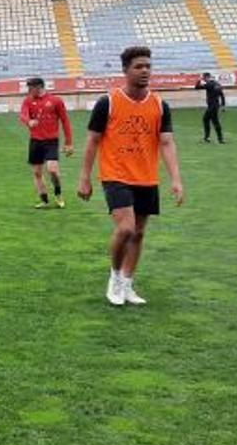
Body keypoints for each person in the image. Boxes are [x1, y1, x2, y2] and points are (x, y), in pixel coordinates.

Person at [78, 46, 185, 306]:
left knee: (138, 233)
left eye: (148, 66)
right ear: (125, 70)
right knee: (125, 229)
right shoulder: (109, 102)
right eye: (138, 66)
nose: (145, 70)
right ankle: (114, 277)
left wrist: (176, 179)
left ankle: (127, 284)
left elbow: (167, 143)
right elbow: (93, 140)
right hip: (116, 174)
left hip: (146, 176)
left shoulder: (160, 105)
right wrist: (85, 177)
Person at [19, 77, 73, 209]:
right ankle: (44, 200)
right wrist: (28, 121)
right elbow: (23, 114)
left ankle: (58, 194)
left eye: (30, 88)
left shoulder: (55, 101)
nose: (29, 91)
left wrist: (68, 143)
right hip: (35, 141)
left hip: (51, 141)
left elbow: (65, 121)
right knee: (37, 173)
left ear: (39, 87)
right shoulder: (28, 101)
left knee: (52, 170)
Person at [195, 72, 226, 144]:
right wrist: (223, 105)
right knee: (208, 120)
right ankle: (215, 138)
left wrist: (199, 80)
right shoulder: (217, 84)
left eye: (204, 78)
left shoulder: (209, 84)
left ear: (206, 77)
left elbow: (197, 87)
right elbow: (222, 95)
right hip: (216, 105)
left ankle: (216, 138)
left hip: (212, 106)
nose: (204, 80)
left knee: (213, 121)